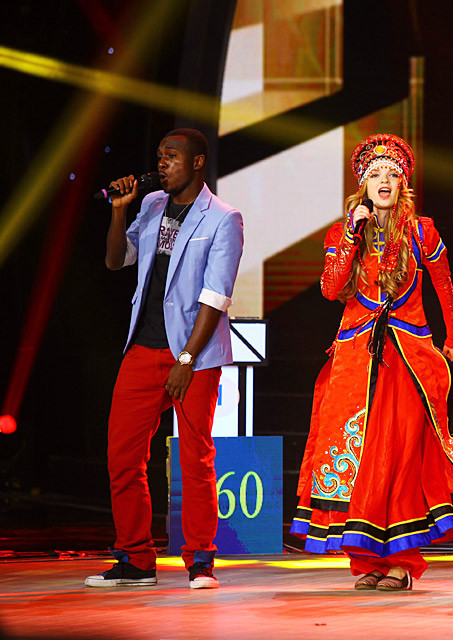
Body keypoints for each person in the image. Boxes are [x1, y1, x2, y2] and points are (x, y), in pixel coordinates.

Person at [290, 133, 453, 591]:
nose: (383, 180)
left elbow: (444, 286)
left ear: (402, 185)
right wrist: (352, 235)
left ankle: (401, 562)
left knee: (397, 459)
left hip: (407, 357)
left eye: (391, 175)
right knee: (356, 459)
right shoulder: (343, 233)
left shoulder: (421, 231)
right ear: (362, 185)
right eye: (374, 174)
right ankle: (366, 561)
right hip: (355, 359)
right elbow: (330, 289)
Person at [85, 128, 244, 589]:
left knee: (195, 458)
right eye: (159, 155)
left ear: (197, 162)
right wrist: (120, 211)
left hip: (193, 354)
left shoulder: (223, 218)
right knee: (123, 456)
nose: (162, 163)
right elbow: (117, 260)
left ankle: (200, 561)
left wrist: (186, 359)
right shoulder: (153, 204)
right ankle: (136, 559)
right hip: (143, 347)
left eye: (172, 156)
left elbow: (216, 296)